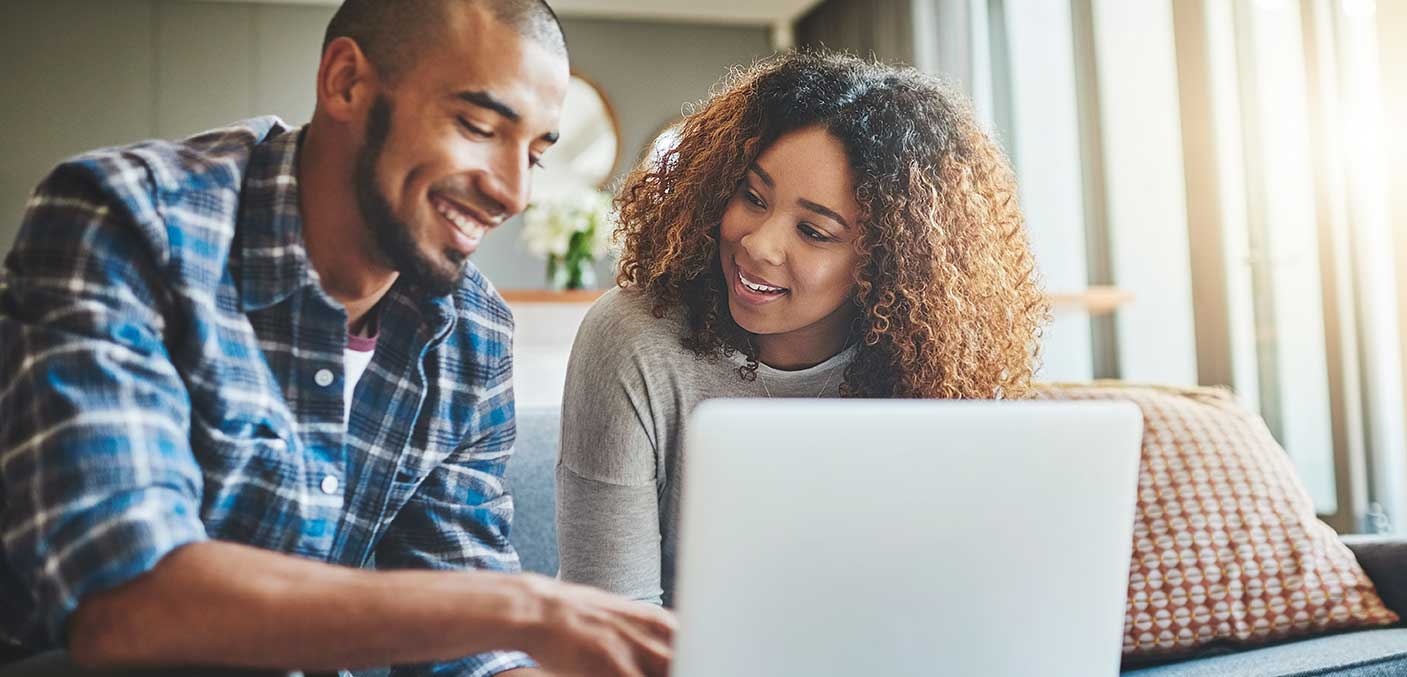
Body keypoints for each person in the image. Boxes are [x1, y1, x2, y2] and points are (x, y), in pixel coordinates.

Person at [0, 1, 672, 675]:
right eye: (477, 126)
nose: (512, 192)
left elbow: (467, 653)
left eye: (534, 155)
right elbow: (125, 602)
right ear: (345, 81)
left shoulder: (472, 332)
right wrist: (523, 607)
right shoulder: (128, 223)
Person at [555, 50, 1050, 606]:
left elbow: (962, 600)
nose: (758, 245)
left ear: (886, 260)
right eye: (753, 197)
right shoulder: (634, 340)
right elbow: (608, 623)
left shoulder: (938, 368)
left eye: (814, 232)